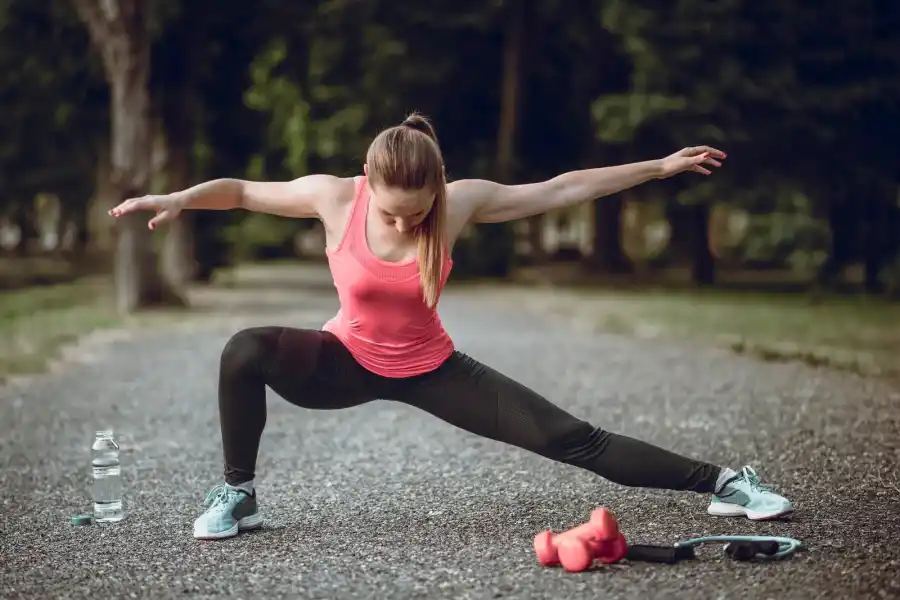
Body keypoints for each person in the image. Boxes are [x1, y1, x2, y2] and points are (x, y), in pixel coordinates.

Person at [110, 113, 794, 540]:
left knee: (573, 439)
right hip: (344, 360)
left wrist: (659, 167)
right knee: (244, 350)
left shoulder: (460, 203)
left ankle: (725, 484)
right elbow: (241, 191)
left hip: (432, 369)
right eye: (392, 212)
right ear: (368, 180)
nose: (405, 223)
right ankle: (238, 493)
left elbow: (562, 187)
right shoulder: (335, 196)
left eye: (418, 212)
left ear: (438, 186)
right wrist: (180, 198)